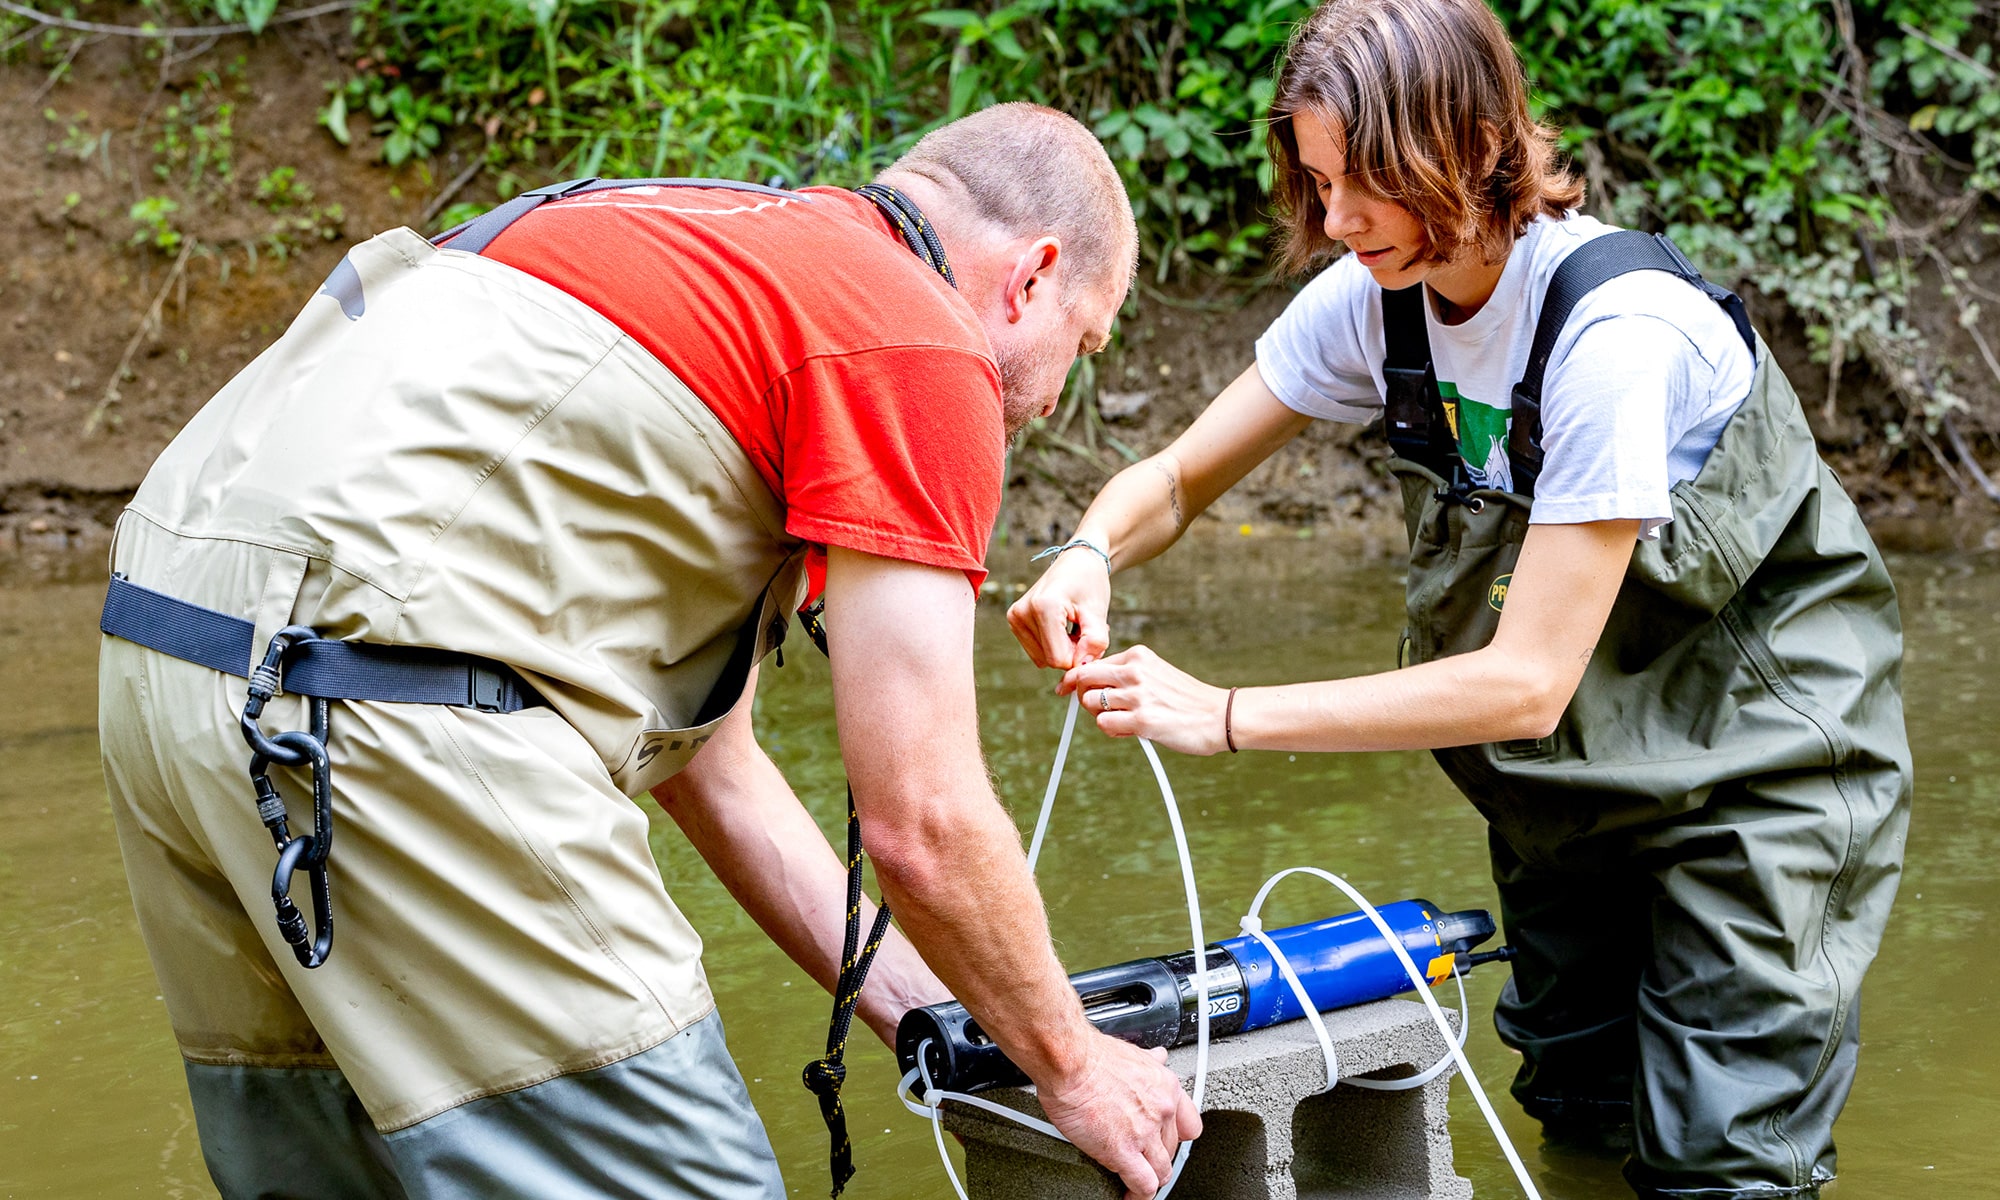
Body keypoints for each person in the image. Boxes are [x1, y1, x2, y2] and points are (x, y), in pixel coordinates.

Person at [97, 102, 1198, 1200]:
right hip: (392, 696)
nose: (1051, 401)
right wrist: (1072, 1062)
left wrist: (935, 1017)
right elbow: (923, 822)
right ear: (1033, 275)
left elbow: (714, 775)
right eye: (1082, 343)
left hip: (167, 667)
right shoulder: (910, 333)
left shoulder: (676, 239)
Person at [1008, 4, 1910, 1197]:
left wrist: (1221, 712)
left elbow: (1525, 681)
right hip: (1574, 793)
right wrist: (1088, 550)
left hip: (1759, 782)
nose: (1335, 221)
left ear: (1473, 140)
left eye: (1367, 181)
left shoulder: (1610, 336)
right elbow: (1177, 479)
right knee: (1578, 1107)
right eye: (1318, 182)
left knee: (1723, 1166)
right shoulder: (1376, 302)